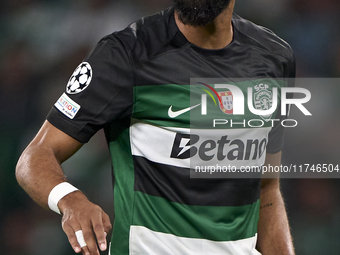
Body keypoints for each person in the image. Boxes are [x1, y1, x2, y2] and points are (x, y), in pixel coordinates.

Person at [16, 0, 296, 254]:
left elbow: (265, 187)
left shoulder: (274, 59)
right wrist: (70, 199)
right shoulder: (125, 54)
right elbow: (35, 157)